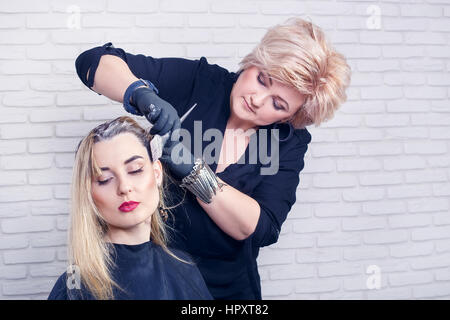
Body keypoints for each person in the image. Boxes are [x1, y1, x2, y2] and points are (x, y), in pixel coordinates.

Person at [74, 18, 351, 299]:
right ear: (253, 61)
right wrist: (141, 94)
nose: (257, 99)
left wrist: (195, 172)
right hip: (157, 279)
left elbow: (261, 227)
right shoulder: (201, 82)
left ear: (291, 116)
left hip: (228, 290)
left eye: (277, 104)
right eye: (261, 79)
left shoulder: (287, 141)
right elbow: (92, 62)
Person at [48, 116, 212, 300]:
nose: (124, 187)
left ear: (157, 173)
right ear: (89, 194)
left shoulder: (184, 268)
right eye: (105, 180)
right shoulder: (74, 281)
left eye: (135, 169)